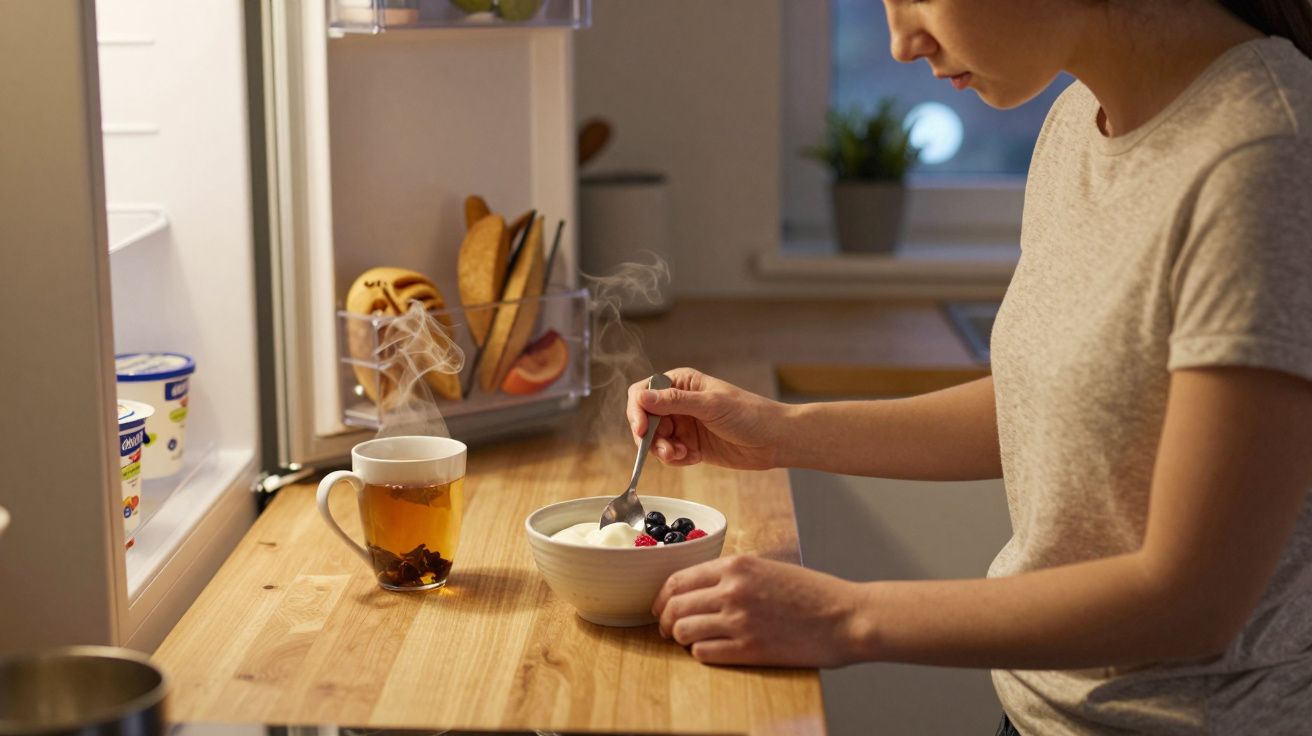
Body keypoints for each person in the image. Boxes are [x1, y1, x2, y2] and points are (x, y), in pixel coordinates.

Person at [625, 1, 1312, 733]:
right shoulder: (1080, 119)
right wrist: (777, 432)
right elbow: (1054, 401)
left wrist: (843, 616)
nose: (899, 43)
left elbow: (1192, 600)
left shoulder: (1266, 157)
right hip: (1038, 715)